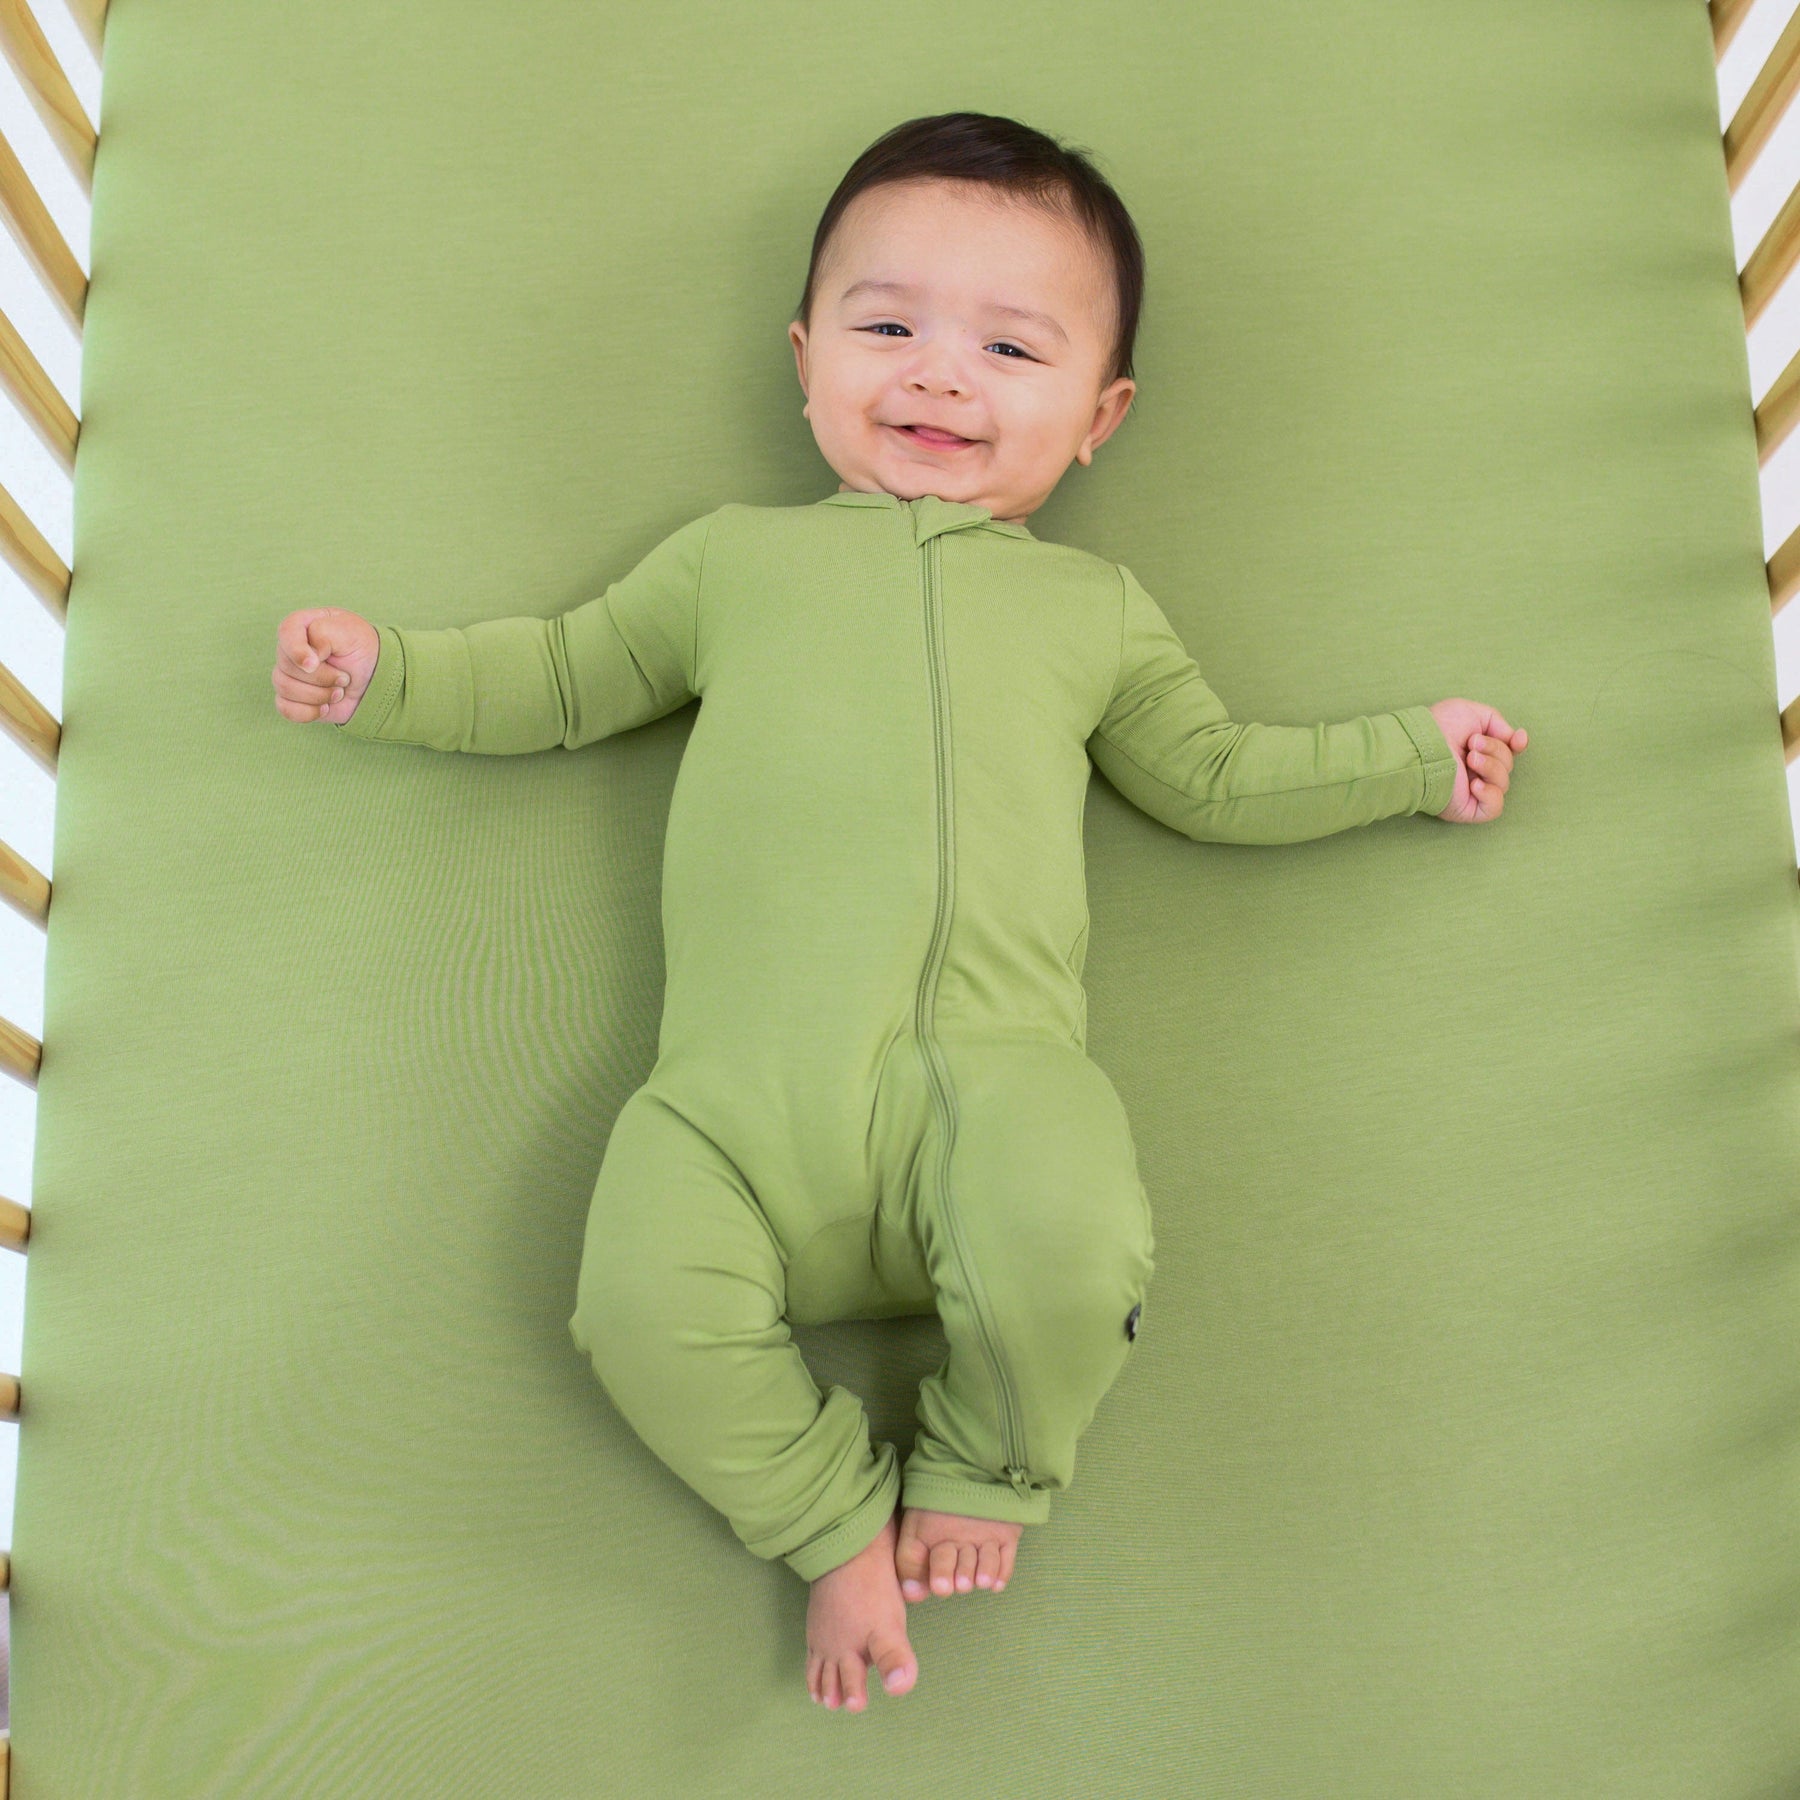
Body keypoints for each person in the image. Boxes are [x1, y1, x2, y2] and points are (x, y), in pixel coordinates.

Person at [270, 111, 1526, 1716]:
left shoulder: (1095, 610)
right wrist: (389, 674)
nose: (939, 376)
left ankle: (985, 1462)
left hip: (996, 1080)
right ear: (804, 360)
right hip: (735, 1098)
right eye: (887, 328)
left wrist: (1411, 756)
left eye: (1011, 346)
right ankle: (824, 1514)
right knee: (635, 1307)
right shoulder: (728, 563)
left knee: (1074, 1252)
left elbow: (1215, 774)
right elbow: (569, 674)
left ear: (1101, 415)